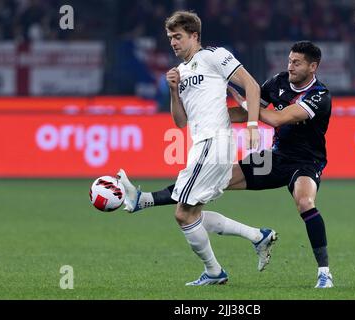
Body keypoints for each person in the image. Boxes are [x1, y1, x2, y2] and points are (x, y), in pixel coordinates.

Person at [117, 10, 277, 286]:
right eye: (170, 38)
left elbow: (251, 85)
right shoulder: (179, 72)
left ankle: (214, 272)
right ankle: (257, 236)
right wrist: (173, 91)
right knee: (194, 212)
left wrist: (252, 126)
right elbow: (180, 122)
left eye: (178, 37)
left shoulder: (214, 56)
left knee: (182, 213)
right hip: (199, 142)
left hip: (215, 141)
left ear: (194, 35)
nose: (173, 43)